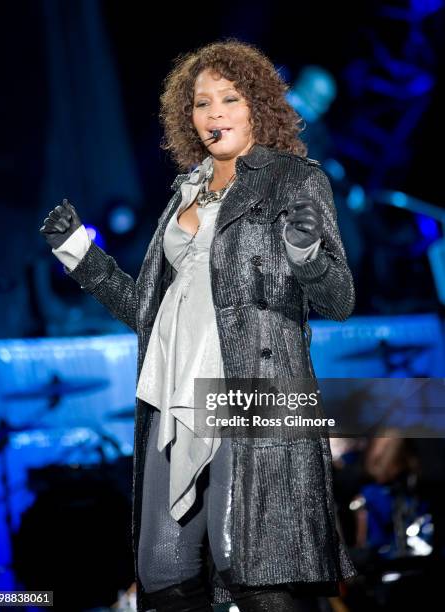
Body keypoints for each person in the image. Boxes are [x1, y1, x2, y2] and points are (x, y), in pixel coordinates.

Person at [40, 39, 357, 612]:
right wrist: (79, 255)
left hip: (252, 389)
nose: (214, 115)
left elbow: (338, 301)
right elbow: (149, 313)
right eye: (201, 103)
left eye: (228, 100)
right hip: (173, 392)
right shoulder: (183, 192)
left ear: (257, 104)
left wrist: (305, 254)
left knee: (252, 565)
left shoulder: (294, 179)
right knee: (163, 571)